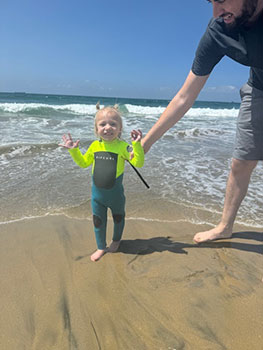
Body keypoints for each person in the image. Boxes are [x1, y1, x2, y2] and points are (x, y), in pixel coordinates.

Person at [141, 0, 263, 243]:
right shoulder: (218, 30)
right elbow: (185, 97)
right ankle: (225, 226)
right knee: (241, 162)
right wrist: (145, 144)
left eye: (222, 0)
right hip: (258, 89)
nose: (217, 12)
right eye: (212, 2)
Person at [60, 104, 144, 261]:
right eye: (103, 124)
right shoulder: (94, 146)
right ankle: (100, 247)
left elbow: (138, 163)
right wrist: (73, 150)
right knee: (98, 221)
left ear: (120, 129)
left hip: (116, 196)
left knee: (118, 218)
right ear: (96, 129)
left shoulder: (123, 147)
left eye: (113, 124)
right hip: (97, 197)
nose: (108, 127)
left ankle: (116, 240)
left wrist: (136, 145)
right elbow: (84, 163)